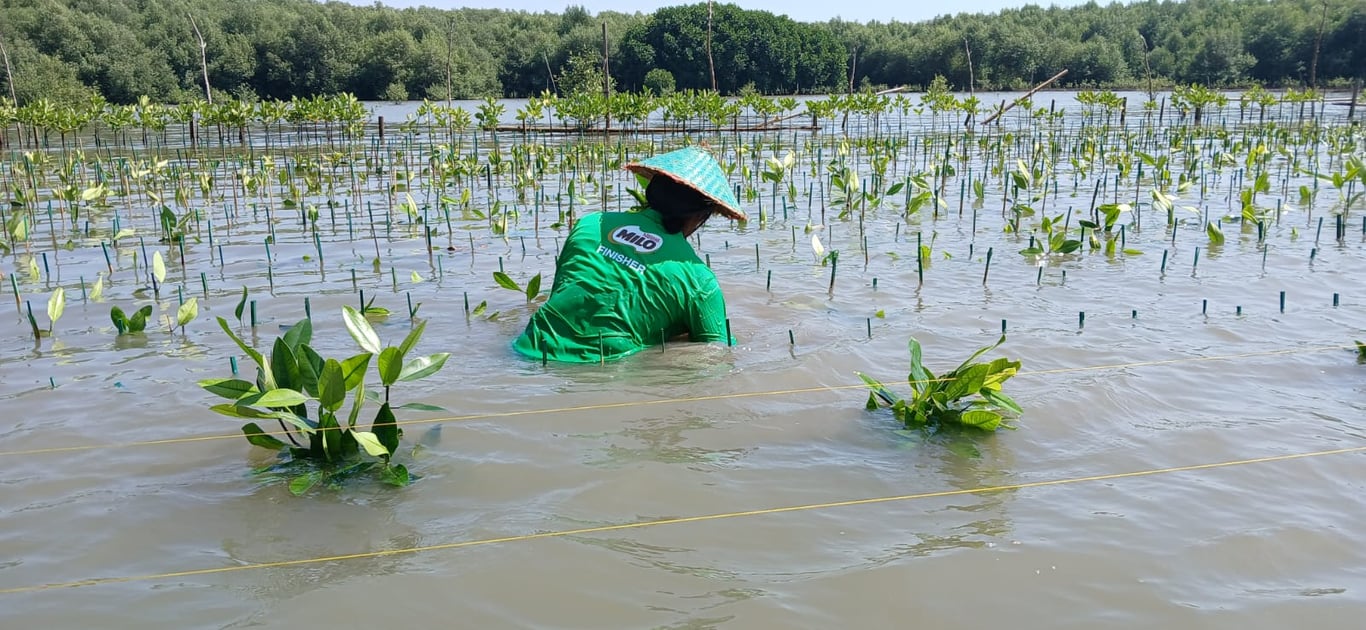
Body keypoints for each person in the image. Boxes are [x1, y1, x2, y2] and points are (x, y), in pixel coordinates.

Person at [513, 146, 746, 363]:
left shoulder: (590, 224)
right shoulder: (700, 280)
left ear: (651, 191)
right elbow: (718, 355)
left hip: (528, 349)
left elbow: (562, 293)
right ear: (700, 217)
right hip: (603, 369)